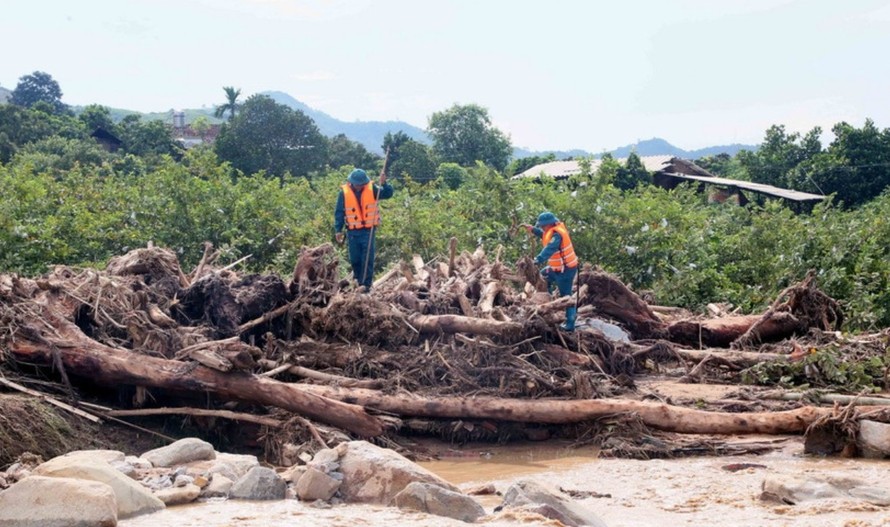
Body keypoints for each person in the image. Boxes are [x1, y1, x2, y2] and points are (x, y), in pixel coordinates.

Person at [334, 167, 394, 289]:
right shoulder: (344, 193)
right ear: (352, 183)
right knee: (355, 258)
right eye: (358, 184)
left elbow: (388, 194)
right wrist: (338, 229)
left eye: (362, 184)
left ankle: (366, 286)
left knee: (367, 258)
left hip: (368, 230)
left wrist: (385, 183)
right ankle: (357, 281)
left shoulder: (372, 189)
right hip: (352, 231)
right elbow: (339, 212)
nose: (360, 186)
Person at [523, 211, 579, 331]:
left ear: (549, 224)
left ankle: (570, 324)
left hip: (565, 270)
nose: (542, 227)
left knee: (566, 296)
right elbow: (544, 235)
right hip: (556, 268)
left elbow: (550, 248)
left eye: (543, 225)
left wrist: (538, 260)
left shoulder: (557, 235)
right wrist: (533, 230)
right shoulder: (551, 231)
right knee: (543, 275)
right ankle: (549, 299)